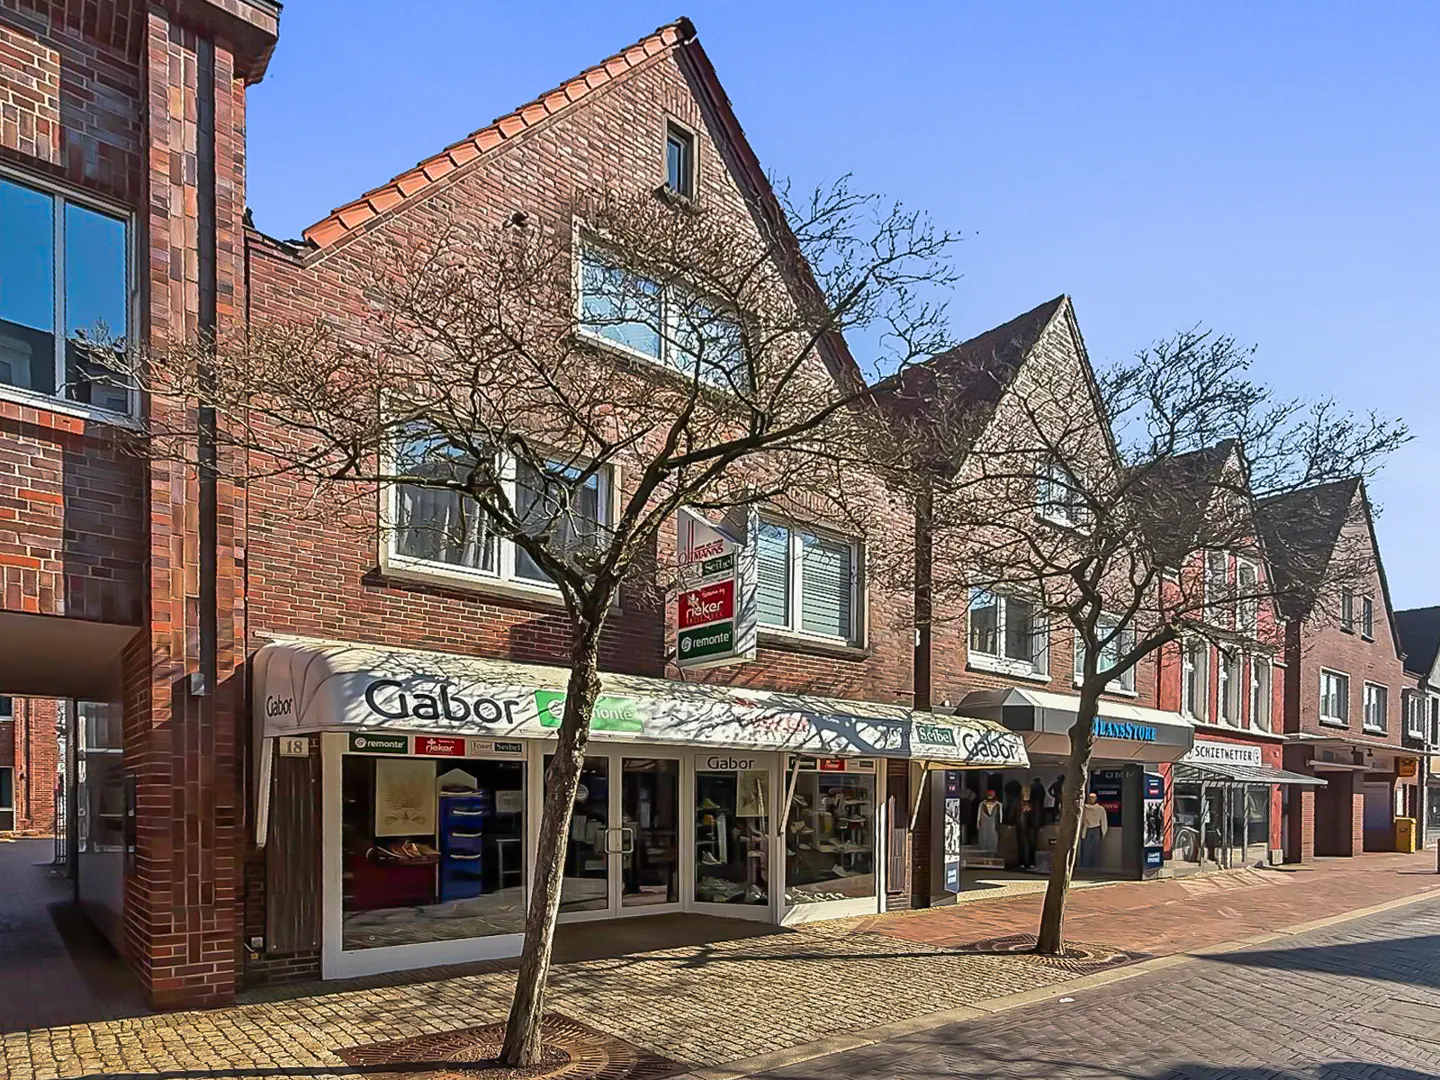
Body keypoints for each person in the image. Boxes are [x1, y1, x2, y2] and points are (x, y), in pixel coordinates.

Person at [1078, 792, 1108, 869]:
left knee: (1087, 850)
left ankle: (1085, 867)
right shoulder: (1100, 809)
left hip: (1088, 830)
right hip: (1094, 830)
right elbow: (1104, 822)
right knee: (1094, 850)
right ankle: (1094, 867)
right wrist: (1103, 833)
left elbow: (1080, 821)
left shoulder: (1084, 809)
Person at [1017, 794, 1040, 870]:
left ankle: (1031, 863)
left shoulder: (1034, 804)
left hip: (1031, 827)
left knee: (1031, 845)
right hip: (1021, 828)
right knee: (1022, 846)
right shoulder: (1019, 804)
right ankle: (1022, 863)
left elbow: (1036, 815)